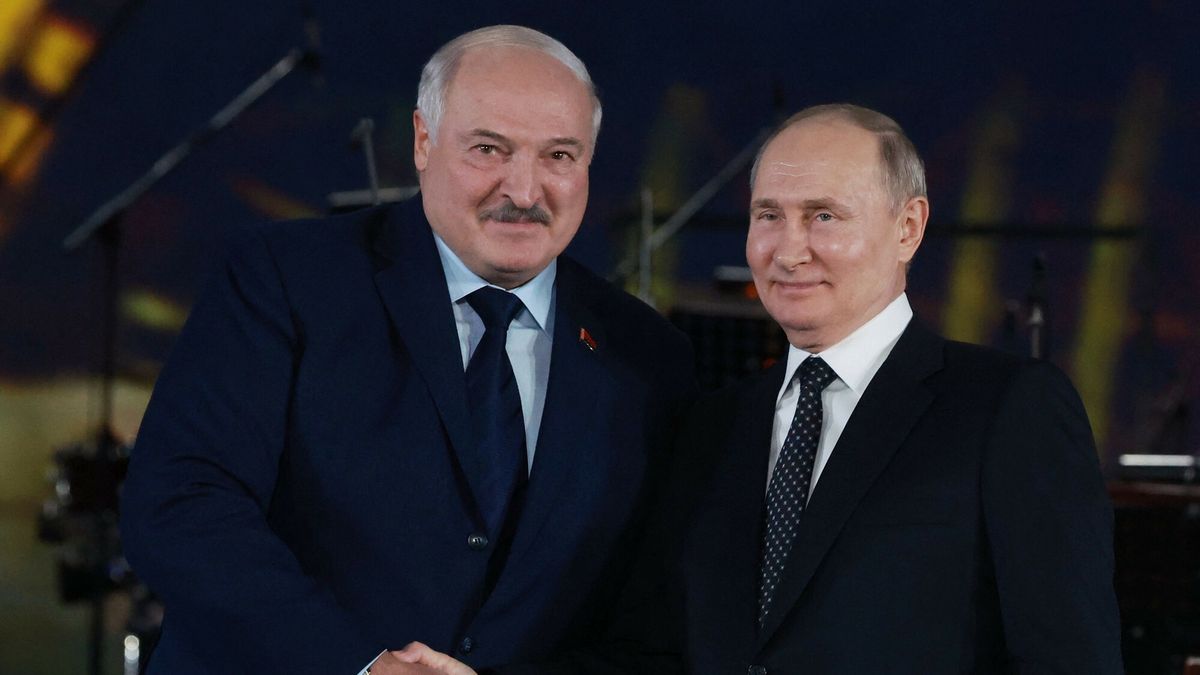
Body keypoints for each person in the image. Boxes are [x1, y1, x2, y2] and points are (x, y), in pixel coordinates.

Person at [401, 104, 1124, 674]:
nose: (788, 248)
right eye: (768, 215)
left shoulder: (1006, 409)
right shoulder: (712, 425)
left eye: (824, 217)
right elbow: (651, 657)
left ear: (909, 227)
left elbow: (1067, 661)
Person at [119, 25, 695, 675]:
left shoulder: (649, 358)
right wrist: (361, 666)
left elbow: (652, 626)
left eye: (559, 156)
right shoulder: (285, 280)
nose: (525, 191)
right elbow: (181, 502)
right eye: (489, 148)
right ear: (424, 141)